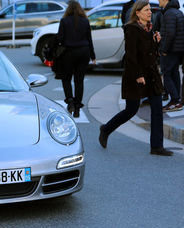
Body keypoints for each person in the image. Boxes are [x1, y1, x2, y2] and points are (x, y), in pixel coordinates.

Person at [99, 0, 173, 156]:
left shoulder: (150, 29)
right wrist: (138, 75)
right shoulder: (131, 29)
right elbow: (131, 56)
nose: (150, 12)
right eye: (146, 10)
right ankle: (106, 129)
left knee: (157, 109)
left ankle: (156, 146)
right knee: (130, 110)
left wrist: (155, 42)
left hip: (152, 75)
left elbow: (151, 53)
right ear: (137, 12)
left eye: (150, 10)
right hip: (135, 75)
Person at [56, 1, 96, 118]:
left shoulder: (64, 21)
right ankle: (78, 107)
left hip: (68, 52)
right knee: (79, 81)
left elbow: (60, 39)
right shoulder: (85, 21)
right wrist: (93, 56)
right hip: (84, 51)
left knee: (66, 78)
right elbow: (89, 39)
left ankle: (70, 102)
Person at [158, 0, 184, 112]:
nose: (158, 0)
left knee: (166, 75)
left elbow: (170, 33)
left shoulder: (169, 13)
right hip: (178, 50)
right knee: (175, 73)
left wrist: (164, 49)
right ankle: (177, 100)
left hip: (170, 50)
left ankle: (174, 100)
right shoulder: (178, 12)